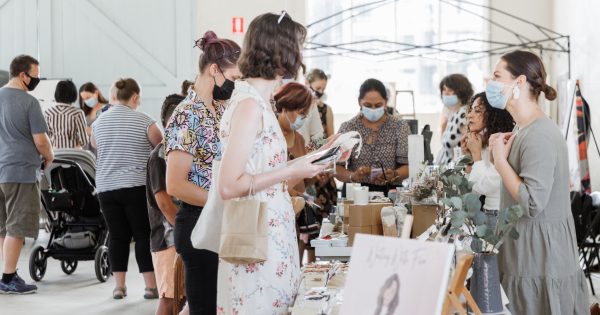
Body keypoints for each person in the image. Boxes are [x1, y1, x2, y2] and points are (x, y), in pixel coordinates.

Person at [216, 12, 330, 314]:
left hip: (271, 231)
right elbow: (229, 185)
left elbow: (263, 167)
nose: (301, 55)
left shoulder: (259, 102)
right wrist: (292, 170)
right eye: (297, 46)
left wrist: (317, 156)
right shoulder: (250, 105)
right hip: (256, 237)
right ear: (281, 51)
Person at [488, 50, 588, 314]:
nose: (490, 82)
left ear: (518, 82)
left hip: (539, 260)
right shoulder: (524, 129)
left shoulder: (539, 134)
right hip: (526, 255)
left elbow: (532, 202)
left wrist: (500, 163)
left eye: (497, 76)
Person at [164, 30, 241, 315]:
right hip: (200, 223)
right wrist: (221, 199)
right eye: (233, 78)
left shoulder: (220, 110)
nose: (235, 86)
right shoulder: (187, 114)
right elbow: (175, 185)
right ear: (214, 70)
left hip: (223, 221)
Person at [91, 78, 162, 299]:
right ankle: (150, 287)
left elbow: (95, 145)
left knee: (117, 236)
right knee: (142, 235)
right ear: (135, 97)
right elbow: (160, 146)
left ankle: (119, 287)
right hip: (136, 186)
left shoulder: (98, 123)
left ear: (113, 97)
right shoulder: (145, 121)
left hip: (106, 188)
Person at [0, 55, 53, 294]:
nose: (36, 80)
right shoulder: (29, 102)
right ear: (23, 75)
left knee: (3, 228)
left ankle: (5, 273)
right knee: (17, 228)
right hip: (20, 170)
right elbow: (41, 141)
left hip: (1, 169)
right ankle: (9, 277)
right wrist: (49, 157)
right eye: (35, 75)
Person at [335, 78, 410, 195]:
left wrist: (394, 174)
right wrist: (352, 176)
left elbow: (408, 166)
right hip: (355, 193)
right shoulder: (348, 128)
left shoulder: (399, 127)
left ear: (385, 102)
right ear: (359, 102)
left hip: (390, 192)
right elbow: (336, 168)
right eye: (368, 105)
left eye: (378, 105)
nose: (373, 109)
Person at [147, 94, 184, 315]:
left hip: (179, 235)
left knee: (181, 295)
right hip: (167, 237)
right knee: (169, 297)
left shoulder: (179, 152)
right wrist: (184, 230)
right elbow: (163, 202)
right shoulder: (160, 155)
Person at [273, 82, 316, 264]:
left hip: (294, 211)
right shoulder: (271, 135)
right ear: (285, 106)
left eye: (305, 116)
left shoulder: (298, 139)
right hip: (274, 212)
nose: (302, 120)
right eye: (300, 114)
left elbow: (302, 177)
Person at [461, 92, 515, 229]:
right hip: (488, 213)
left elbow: (483, 187)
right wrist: (469, 158)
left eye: (477, 111)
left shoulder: (504, 143)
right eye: (471, 110)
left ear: (493, 115)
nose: (469, 115)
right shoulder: (483, 143)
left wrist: (476, 155)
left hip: (498, 215)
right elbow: (473, 193)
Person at [305, 69, 338, 216]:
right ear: (307, 83)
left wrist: (329, 165)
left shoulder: (325, 110)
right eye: (318, 88)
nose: (320, 92)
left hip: (322, 165)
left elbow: (330, 139)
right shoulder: (297, 107)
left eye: (323, 89)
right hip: (304, 165)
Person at [435, 74, 473, 165]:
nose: (446, 93)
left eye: (450, 90)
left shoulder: (463, 113)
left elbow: (471, 145)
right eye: (444, 89)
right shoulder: (453, 114)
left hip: (459, 171)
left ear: (461, 92)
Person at [44, 80, 89, 149]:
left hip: (54, 155)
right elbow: (84, 140)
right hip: (73, 155)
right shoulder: (77, 113)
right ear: (73, 94)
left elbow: (45, 139)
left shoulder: (48, 113)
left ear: (57, 93)